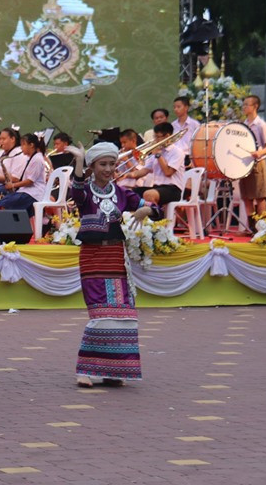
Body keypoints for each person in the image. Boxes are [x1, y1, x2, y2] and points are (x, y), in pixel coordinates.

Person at [68, 142, 158, 387]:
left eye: (111, 164)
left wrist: (144, 212)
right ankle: (85, 370)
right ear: (93, 166)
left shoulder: (121, 193)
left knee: (123, 316)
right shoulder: (85, 192)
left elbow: (154, 208)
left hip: (116, 257)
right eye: (102, 164)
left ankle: (114, 370)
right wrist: (78, 162)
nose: (108, 169)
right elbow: (75, 191)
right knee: (100, 314)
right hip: (93, 258)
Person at [129, 122, 185, 208]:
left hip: (173, 189)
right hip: (157, 188)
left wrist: (158, 155)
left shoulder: (177, 152)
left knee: (148, 194)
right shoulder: (156, 151)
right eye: (155, 136)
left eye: (158, 137)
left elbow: (168, 172)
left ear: (167, 136)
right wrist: (126, 175)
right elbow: (144, 170)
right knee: (130, 194)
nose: (155, 140)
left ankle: (156, 219)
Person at [0, 133, 48, 216]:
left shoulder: (37, 159)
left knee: (4, 203)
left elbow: (30, 181)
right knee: (2, 201)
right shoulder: (31, 158)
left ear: (31, 145)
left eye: (23, 144)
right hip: (26, 191)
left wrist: (13, 185)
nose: (21, 148)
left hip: (33, 194)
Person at [239, 95, 266, 220]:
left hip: (257, 163)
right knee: (246, 197)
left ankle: (263, 226)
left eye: (247, 104)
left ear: (255, 106)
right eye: (244, 104)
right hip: (244, 165)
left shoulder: (261, 124)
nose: (244, 107)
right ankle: (252, 227)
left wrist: (259, 153)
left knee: (259, 196)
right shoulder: (244, 124)